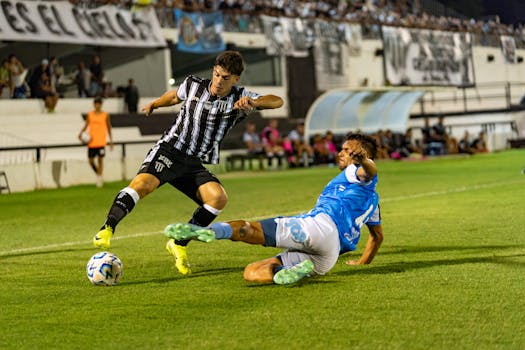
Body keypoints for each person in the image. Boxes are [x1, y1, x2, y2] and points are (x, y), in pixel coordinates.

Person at [92, 51, 283, 276]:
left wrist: (254, 102)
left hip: (193, 163)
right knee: (142, 185)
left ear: (236, 80)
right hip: (170, 150)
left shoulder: (241, 98)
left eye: (225, 78)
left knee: (218, 199)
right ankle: (107, 228)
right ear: (213, 70)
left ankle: (179, 243)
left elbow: (277, 101)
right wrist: (155, 103)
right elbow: (174, 97)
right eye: (217, 74)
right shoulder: (194, 84)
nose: (219, 81)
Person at [165, 132, 383, 285]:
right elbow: (377, 237)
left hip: (318, 228)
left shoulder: (355, 171)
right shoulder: (373, 201)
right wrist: (363, 262)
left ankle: (208, 232)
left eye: (346, 150)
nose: (341, 153)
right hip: (328, 256)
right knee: (251, 272)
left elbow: (369, 171)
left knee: (249, 229)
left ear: (361, 154)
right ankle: (283, 273)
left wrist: (363, 160)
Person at [78, 97, 113, 187]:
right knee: (90, 161)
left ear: (101, 104)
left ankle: (99, 179)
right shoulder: (90, 115)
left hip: (101, 142)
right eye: (96, 103)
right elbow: (86, 125)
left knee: (100, 160)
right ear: (94, 104)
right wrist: (81, 133)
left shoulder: (105, 115)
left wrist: (111, 141)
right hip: (92, 142)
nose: (97, 105)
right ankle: (99, 174)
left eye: (99, 103)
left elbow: (109, 127)